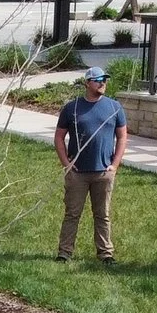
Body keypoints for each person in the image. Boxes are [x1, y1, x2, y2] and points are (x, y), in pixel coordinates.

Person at [54, 67, 128, 262]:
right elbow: (59, 137)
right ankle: (64, 252)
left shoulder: (114, 107)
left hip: (103, 172)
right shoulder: (72, 108)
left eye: (105, 79)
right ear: (87, 83)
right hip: (77, 173)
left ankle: (105, 253)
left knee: (102, 215)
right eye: (98, 80)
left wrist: (115, 164)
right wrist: (66, 163)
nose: (103, 83)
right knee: (72, 213)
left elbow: (122, 136)